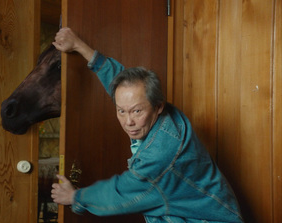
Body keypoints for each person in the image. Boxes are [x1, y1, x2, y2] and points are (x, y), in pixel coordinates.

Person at [51, 27, 243, 222]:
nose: (128, 122)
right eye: (121, 111)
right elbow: (122, 84)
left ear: (157, 106)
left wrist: (74, 197)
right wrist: (79, 46)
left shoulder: (159, 155)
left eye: (136, 111)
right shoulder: (152, 105)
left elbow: (120, 192)